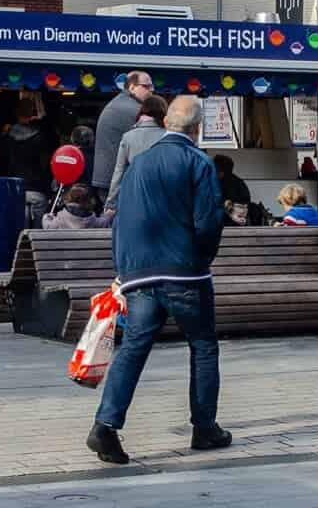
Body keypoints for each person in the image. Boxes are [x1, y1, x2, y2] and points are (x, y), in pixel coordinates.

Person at [88, 95, 229, 466]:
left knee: (134, 346)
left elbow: (120, 218)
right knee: (202, 345)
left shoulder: (140, 164)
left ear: (167, 122)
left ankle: (105, 424)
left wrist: (124, 270)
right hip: (183, 271)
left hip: (139, 272)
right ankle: (204, 426)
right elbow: (208, 221)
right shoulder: (197, 162)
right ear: (197, 129)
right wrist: (201, 258)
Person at [91, 71, 153, 205]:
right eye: (146, 86)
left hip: (108, 180)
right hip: (116, 183)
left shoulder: (120, 103)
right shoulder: (133, 110)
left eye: (151, 87)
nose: (151, 91)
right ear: (131, 87)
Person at [106, 94, 168, 209]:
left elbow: (119, 172)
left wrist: (111, 202)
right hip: (163, 198)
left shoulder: (128, 137)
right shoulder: (169, 136)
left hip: (135, 195)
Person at [0, 101, 54, 207]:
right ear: (32, 114)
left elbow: (1, 165)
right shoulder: (41, 136)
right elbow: (46, 164)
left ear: (16, 113)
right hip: (37, 189)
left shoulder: (6, 137)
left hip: (13, 188)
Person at [43, 184, 115, 229]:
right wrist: (109, 215)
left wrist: (46, 217)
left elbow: (47, 226)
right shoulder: (92, 221)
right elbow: (104, 222)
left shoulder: (60, 219)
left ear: (69, 199)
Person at [214, 153, 254, 224]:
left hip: (227, 223)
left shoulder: (219, 183)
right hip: (239, 223)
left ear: (221, 171)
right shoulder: (239, 183)